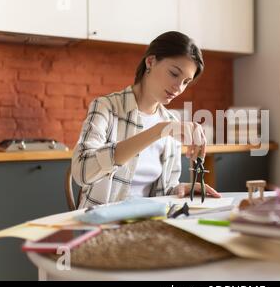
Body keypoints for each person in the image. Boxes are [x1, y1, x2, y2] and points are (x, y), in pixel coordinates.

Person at [71, 31, 220, 208]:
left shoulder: (170, 120)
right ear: (150, 61)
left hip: (148, 223)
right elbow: (82, 172)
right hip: (103, 225)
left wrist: (180, 188)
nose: (178, 88)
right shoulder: (106, 107)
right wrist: (158, 131)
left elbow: (163, 190)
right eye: (174, 74)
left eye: (186, 82)